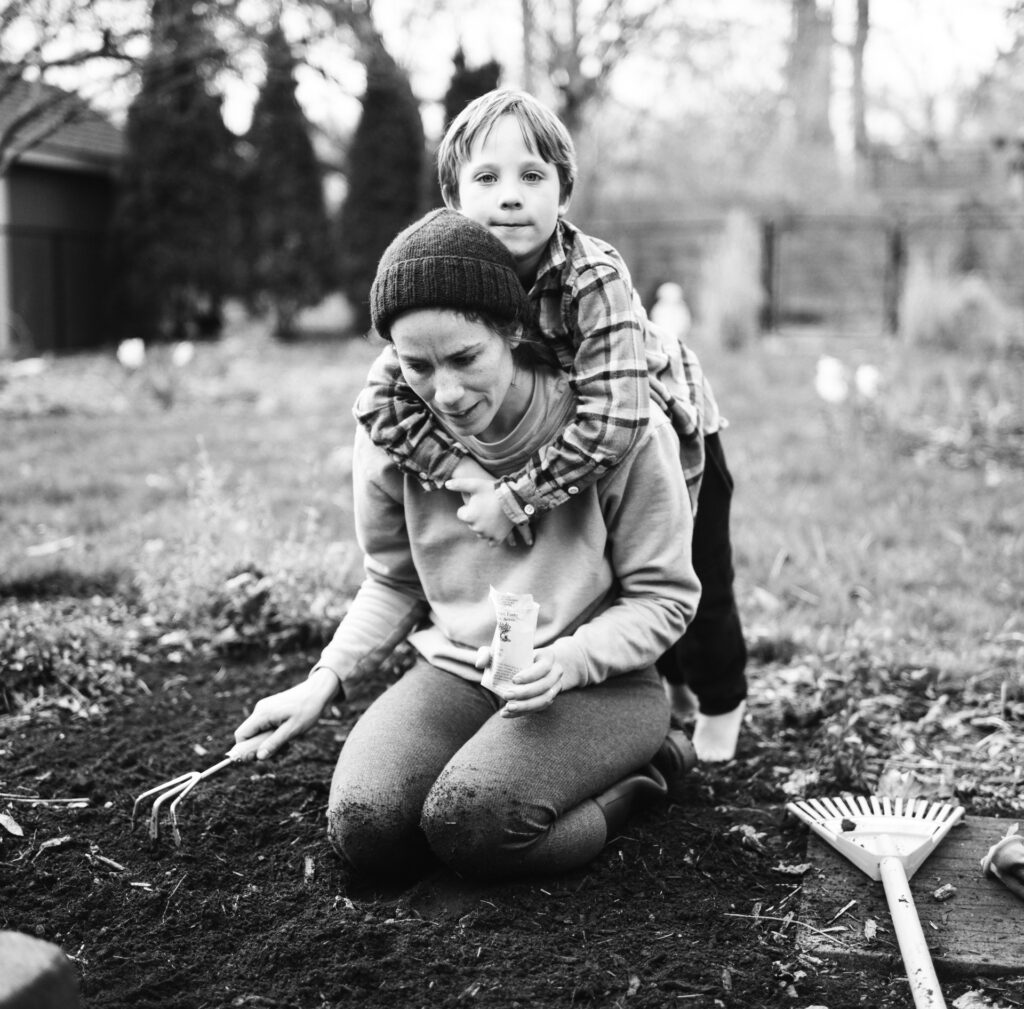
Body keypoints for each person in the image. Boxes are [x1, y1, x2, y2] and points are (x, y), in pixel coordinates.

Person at [234, 210, 699, 882]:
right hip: (458, 672)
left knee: (476, 825)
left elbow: (663, 598)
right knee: (367, 828)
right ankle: (490, 773)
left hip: (598, 684)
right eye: (416, 365)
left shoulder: (616, 433)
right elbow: (394, 581)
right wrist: (324, 678)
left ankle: (649, 773)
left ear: (511, 330)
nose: (445, 393)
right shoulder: (394, 437)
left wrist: (567, 659)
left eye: (464, 358)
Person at [354, 88, 747, 761]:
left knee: (693, 577)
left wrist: (515, 497)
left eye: (532, 176)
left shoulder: (592, 274)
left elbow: (614, 419)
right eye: (487, 177)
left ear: (564, 193)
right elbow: (379, 403)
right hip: (580, 433)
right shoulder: (452, 275)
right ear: (453, 199)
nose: (511, 196)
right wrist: (459, 469)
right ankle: (661, 692)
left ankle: (719, 702)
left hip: (668, 429)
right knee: (609, 577)